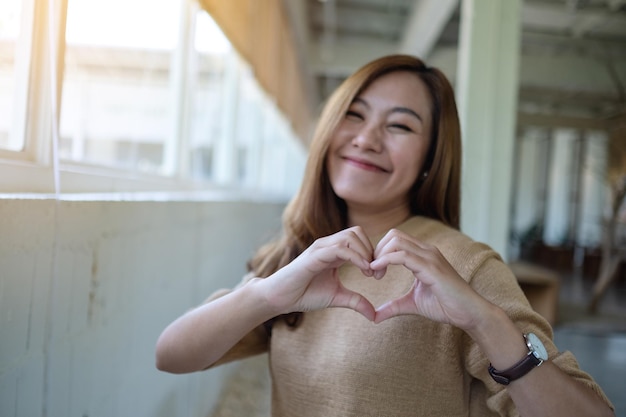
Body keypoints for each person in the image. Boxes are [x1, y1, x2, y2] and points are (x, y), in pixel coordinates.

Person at [155, 54, 615, 416]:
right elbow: (171, 355)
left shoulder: (463, 265)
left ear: (431, 159)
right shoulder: (299, 256)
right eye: (353, 115)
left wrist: (486, 321)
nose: (367, 138)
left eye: (398, 125)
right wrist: (268, 295)